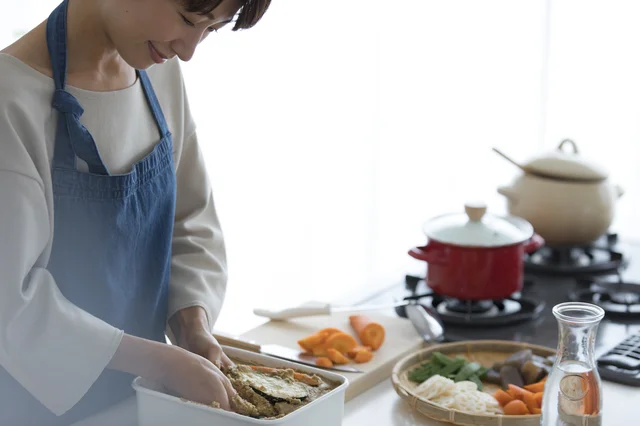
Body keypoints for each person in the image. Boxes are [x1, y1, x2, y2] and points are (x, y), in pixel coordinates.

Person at [0, 0, 271, 424]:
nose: (189, 49)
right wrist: (159, 362)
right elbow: (9, 303)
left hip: (140, 404)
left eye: (211, 29)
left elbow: (191, 219)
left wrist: (190, 324)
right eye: (188, 20)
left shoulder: (157, 71)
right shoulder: (9, 100)